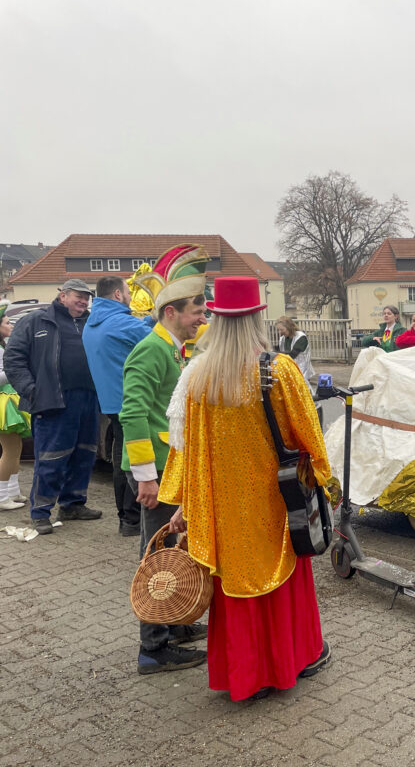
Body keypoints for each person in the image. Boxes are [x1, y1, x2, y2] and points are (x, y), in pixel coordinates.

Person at [159, 275, 336, 702]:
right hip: (276, 503)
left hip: (222, 508)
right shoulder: (278, 369)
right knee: (283, 582)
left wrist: (185, 502)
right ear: (258, 316)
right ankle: (292, 661)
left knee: (233, 587)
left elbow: (187, 448)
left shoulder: (198, 376)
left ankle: (245, 676)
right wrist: (325, 481)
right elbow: (310, 435)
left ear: (216, 319)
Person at [123, 244, 211, 675]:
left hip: (168, 467)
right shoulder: (150, 350)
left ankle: (173, 627)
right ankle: (153, 647)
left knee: (174, 547)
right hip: (154, 471)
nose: (202, 317)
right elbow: (132, 413)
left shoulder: (174, 347)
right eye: (196, 309)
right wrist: (144, 478)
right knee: (156, 554)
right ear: (171, 312)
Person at [4, 278, 102, 534]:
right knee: (51, 458)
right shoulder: (36, 321)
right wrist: (31, 391)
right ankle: (40, 512)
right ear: (63, 296)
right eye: (78, 296)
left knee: (85, 454)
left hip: (89, 398)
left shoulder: (91, 321)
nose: (83, 301)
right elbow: (13, 358)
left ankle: (72, 504)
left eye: (86, 297)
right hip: (53, 401)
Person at [83, 275, 153, 536]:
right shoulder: (121, 322)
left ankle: (126, 518)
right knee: (132, 462)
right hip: (131, 402)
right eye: (128, 292)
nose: (131, 297)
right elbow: (160, 339)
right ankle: (132, 520)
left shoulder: (94, 322)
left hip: (110, 401)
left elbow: (129, 330)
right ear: (116, 295)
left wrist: (147, 319)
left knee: (119, 460)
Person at [0, 302, 31, 511]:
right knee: (9, 450)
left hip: (11, 399)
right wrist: (15, 370)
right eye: (7, 322)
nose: (10, 325)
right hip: (4, 401)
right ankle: (2, 497)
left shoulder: (4, 346)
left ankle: (12, 491)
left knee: (16, 448)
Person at [275, 316, 316, 389]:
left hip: (301, 370)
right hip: (290, 369)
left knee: (303, 391)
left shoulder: (301, 337)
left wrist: (276, 353)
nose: (280, 332)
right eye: (279, 330)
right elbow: (277, 349)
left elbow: (292, 355)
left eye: (282, 329)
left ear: (289, 327)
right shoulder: (283, 338)